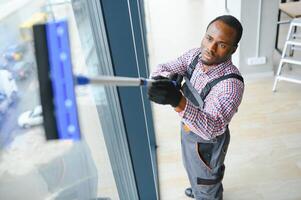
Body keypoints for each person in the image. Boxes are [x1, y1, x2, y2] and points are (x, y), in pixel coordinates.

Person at [147, 15, 244, 199]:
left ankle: (207, 194)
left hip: (208, 143)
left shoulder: (231, 85)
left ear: (233, 49)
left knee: (208, 179)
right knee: (192, 167)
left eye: (222, 44)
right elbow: (165, 67)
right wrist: (165, 79)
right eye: (209, 38)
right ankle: (197, 186)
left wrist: (179, 101)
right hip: (188, 130)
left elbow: (212, 129)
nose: (210, 48)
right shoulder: (194, 56)